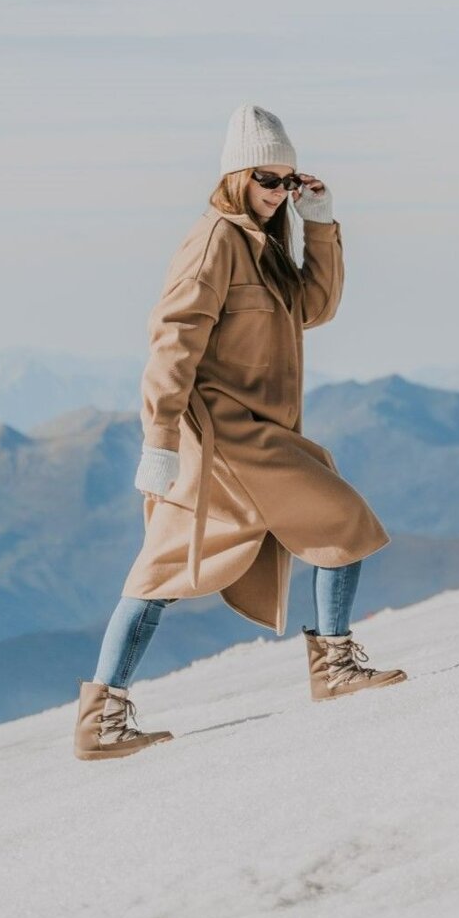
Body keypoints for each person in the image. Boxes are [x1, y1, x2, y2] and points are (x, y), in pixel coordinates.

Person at [74, 103, 407, 761]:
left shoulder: (264, 243)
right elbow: (171, 344)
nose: (278, 191)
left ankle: (102, 718)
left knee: (167, 566)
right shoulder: (215, 242)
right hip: (223, 435)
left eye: (289, 180)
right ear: (235, 176)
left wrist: (318, 224)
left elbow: (315, 307)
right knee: (340, 518)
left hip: (255, 433)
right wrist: (158, 442)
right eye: (267, 178)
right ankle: (334, 666)